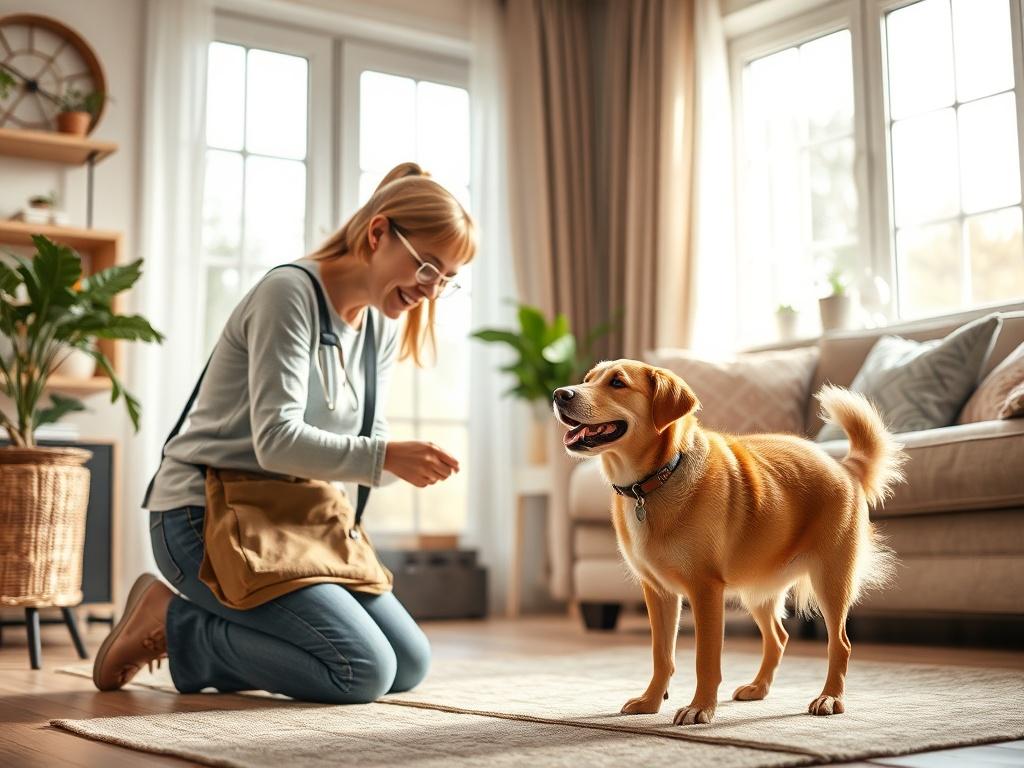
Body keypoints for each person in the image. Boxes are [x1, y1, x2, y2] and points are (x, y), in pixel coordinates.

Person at [92, 162, 475, 703]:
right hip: (204, 517)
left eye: (447, 280)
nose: (430, 292)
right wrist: (385, 457)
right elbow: (276, 441)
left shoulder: (378, 329)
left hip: (293, 519)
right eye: (428, 269)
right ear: (378, 233)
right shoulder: (289, 294)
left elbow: (365, 448)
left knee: (408, 664)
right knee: (361, 670)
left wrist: (397, 463)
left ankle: (197, 630)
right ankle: (180, 625)